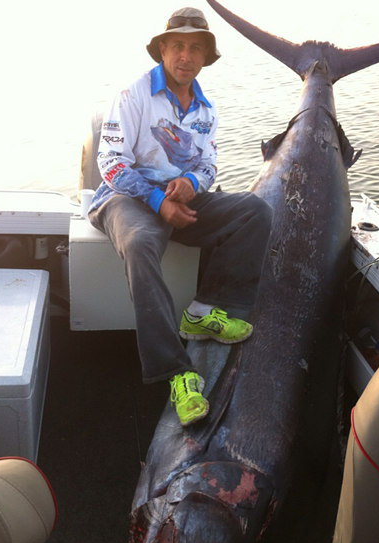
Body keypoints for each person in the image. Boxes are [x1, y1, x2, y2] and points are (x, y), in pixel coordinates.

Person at [88, 7, 273, 427]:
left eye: (195, 48)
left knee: (255, 211)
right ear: (162, 51)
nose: (185, 56)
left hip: (179, 201)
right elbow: (111, 163)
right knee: (138, 245)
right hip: (125, 198)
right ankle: (176, 372)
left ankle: (205, 310)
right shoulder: (132, 95)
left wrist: (191, 181)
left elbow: (209, 165)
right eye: (178, 46)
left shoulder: (206, 111)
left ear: (205, 57)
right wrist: (158, 202)